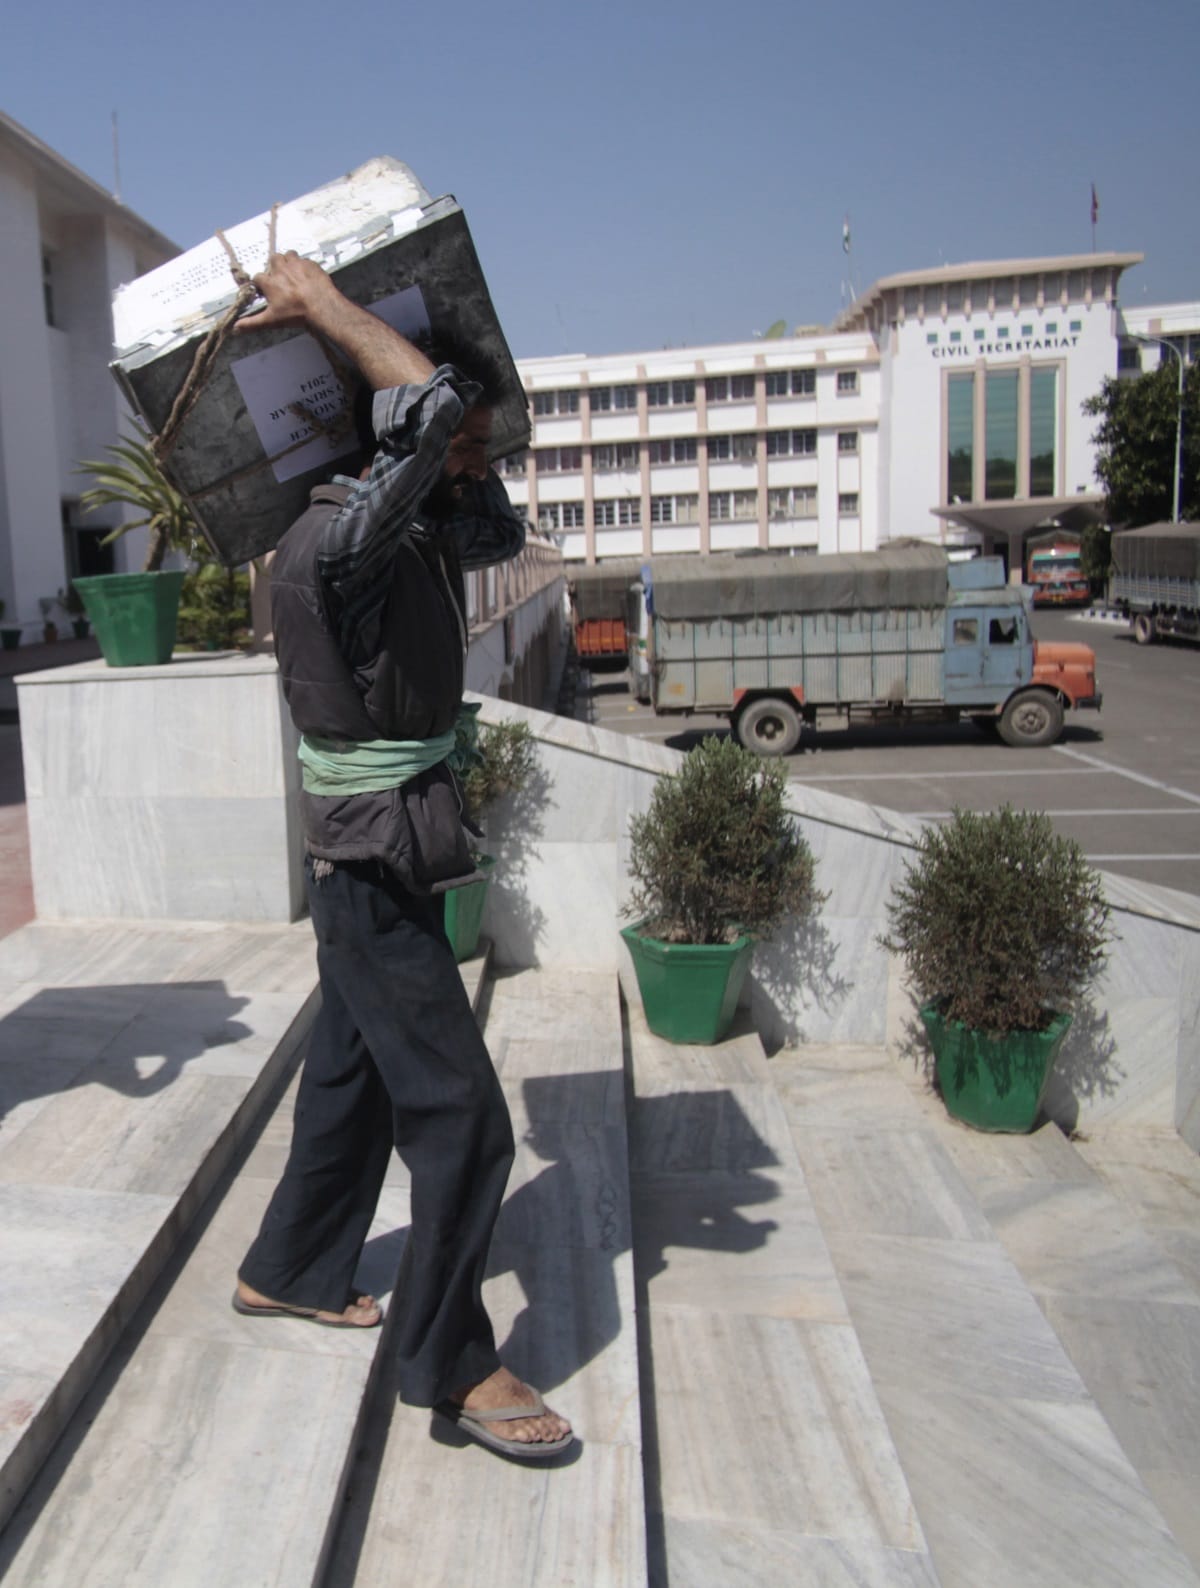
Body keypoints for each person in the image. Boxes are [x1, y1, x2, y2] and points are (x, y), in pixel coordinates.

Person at [230, 251, 572, 1460]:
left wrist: (462, 439)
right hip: (374, 867)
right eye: (459, 448)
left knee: (352, 1075)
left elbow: (496, 520)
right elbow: (427, 421)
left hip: (384, 852)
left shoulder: (412, 526)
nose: (472, 465)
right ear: (388, 437)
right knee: (466, 1120)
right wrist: (324, 306)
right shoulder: (344, 544)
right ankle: (451, 1359)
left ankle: (289, 1267)